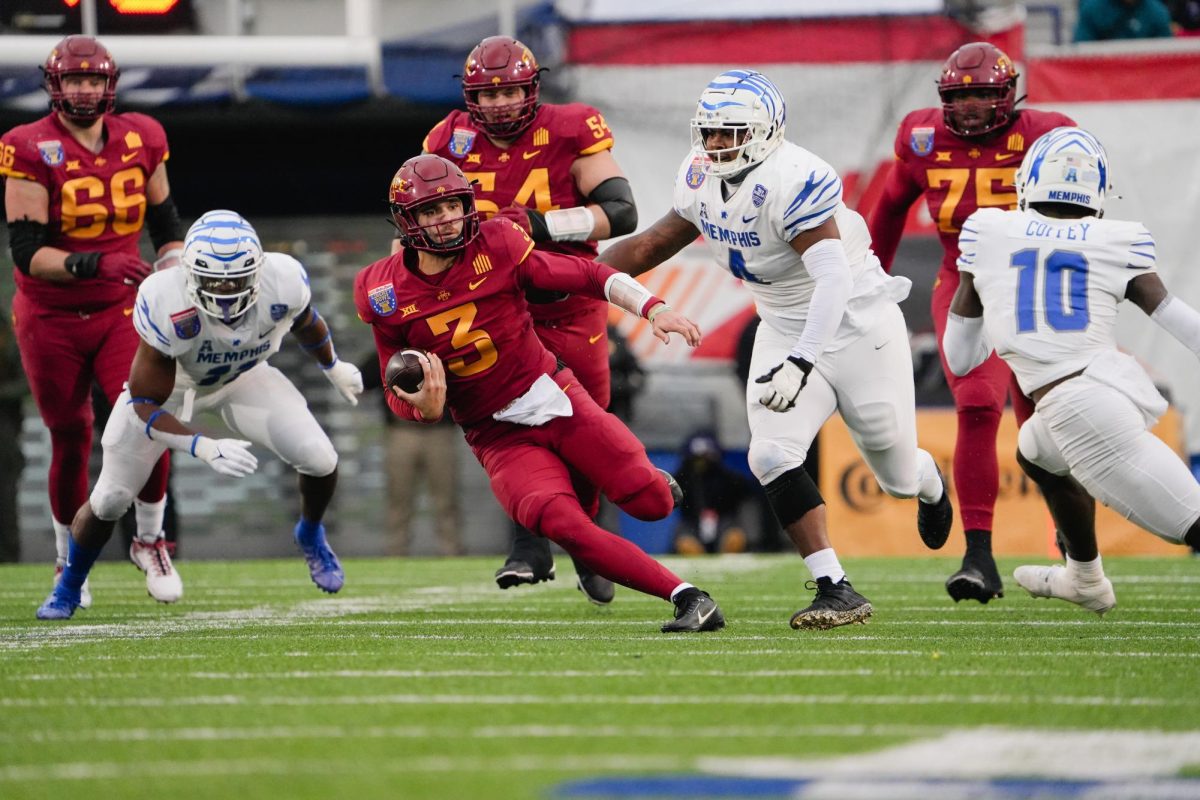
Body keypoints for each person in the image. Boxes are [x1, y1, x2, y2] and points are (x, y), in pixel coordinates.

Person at [597, 69, 953, 630]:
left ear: (765, 131)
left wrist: (803, 361)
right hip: (783, 322)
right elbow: (653, 242)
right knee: (770, 454)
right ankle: (835, 587)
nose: (715, 145)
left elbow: (832, 281)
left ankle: (929, 481)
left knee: (898, 476)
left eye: (728, 132)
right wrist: (573, 275)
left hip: (857, 321)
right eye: (709, 133)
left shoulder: (797, 176)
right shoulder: (700, 175)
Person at [357, 154, 724, 633]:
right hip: (496, 436)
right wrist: (423, 411)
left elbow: (588, 275)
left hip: (557, 398)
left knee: (652, 504)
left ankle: (648, 479)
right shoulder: (380, 290)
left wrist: (652, 308)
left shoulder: (500, 243)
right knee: (564, 524)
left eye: (451, 206)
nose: (445, 219)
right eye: (430, 211)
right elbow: (392, 384)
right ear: (408, 221)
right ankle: (689, 598)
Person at [36, 210, 363, 620]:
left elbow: (307, 323)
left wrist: (334, 368)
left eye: (237, 279)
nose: (226, 291)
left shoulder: (283, 280)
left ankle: (311, 533)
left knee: (321, 458)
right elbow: (143, 405)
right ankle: (68, 587)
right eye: (214, 281)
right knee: (111, 499)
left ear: (258, 272)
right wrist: (201, 444)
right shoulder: (164, 298)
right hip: (173, 391)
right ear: (190, 274)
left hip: (245, 379)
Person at [412, 35, 639, 606]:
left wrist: (538, 227)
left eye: (509, 90)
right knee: (511, 422)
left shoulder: (572, 127)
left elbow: (621, 213)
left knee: (586, 425)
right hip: (497, 303)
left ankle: (587, 545)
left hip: (568, 300)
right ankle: (528, 544)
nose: (497, 105)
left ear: (531, 88)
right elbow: (418, 213)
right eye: (485, 95)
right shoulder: (449, 138)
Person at [943, 126, 1200, 612]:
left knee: (1193, 525)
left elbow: (960, 358)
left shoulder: (989, 231)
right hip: (1100, 387)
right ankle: (1085, 578)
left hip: (1082, 408)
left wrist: (983, 295)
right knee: (1035, 452)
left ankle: (1085, 578)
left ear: (1029, 182)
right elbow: (1174, 317)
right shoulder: (1116, 239)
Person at [867, 42, 1076, 604]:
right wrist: (867, 279)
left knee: (1047, 419)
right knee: (979, 406)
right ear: (944, 99)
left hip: (1036, 286)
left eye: (985, 93)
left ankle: (1075, 537)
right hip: (964, 285)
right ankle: (978, 555)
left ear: (1007, 95)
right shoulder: (922, 137)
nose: (974, 107)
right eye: (962, 96)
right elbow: (889, 206)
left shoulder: (1046, 133)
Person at [2, 35, 186, 607]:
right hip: (50, 314)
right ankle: (67, 560)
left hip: (118, 308)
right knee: (71, 435)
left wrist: (175, 266)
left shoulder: (143, 136)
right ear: (54, 85)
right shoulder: (28, 146)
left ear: (111, 84)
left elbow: (165, 220)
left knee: (145, 416)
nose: (84, 88)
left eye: (93, 78)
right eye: (73, 79)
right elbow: (28, 253)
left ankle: (151, 539)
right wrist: (96, 261)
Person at [359, 351, 464, 557]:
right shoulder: (390, 352)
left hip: (439, 431)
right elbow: (361, 382)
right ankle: (395, 552)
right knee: (399, 497)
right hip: (402, 431)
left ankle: (451, 551)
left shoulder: (444, 349)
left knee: (446, 497)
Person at [672, 429, 751, 555]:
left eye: (705, 458)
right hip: (692, 522)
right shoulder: (683, 478)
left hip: (724, 521)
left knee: (734, 538)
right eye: (696, 459)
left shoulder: (728, 477)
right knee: (685, 543)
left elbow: (747, 491)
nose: (701, 463)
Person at [0, 313, 25, 563]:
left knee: (6, 501)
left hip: (5, 435)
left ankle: (9, 557)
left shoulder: (11, 351)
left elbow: (24, 383)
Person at [1075, 0, 1174, 41]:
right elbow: (1080, 51)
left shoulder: (1157, 12)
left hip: (1146, 76)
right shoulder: (1092, 9)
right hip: (1103, 76)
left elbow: (1167, 55)